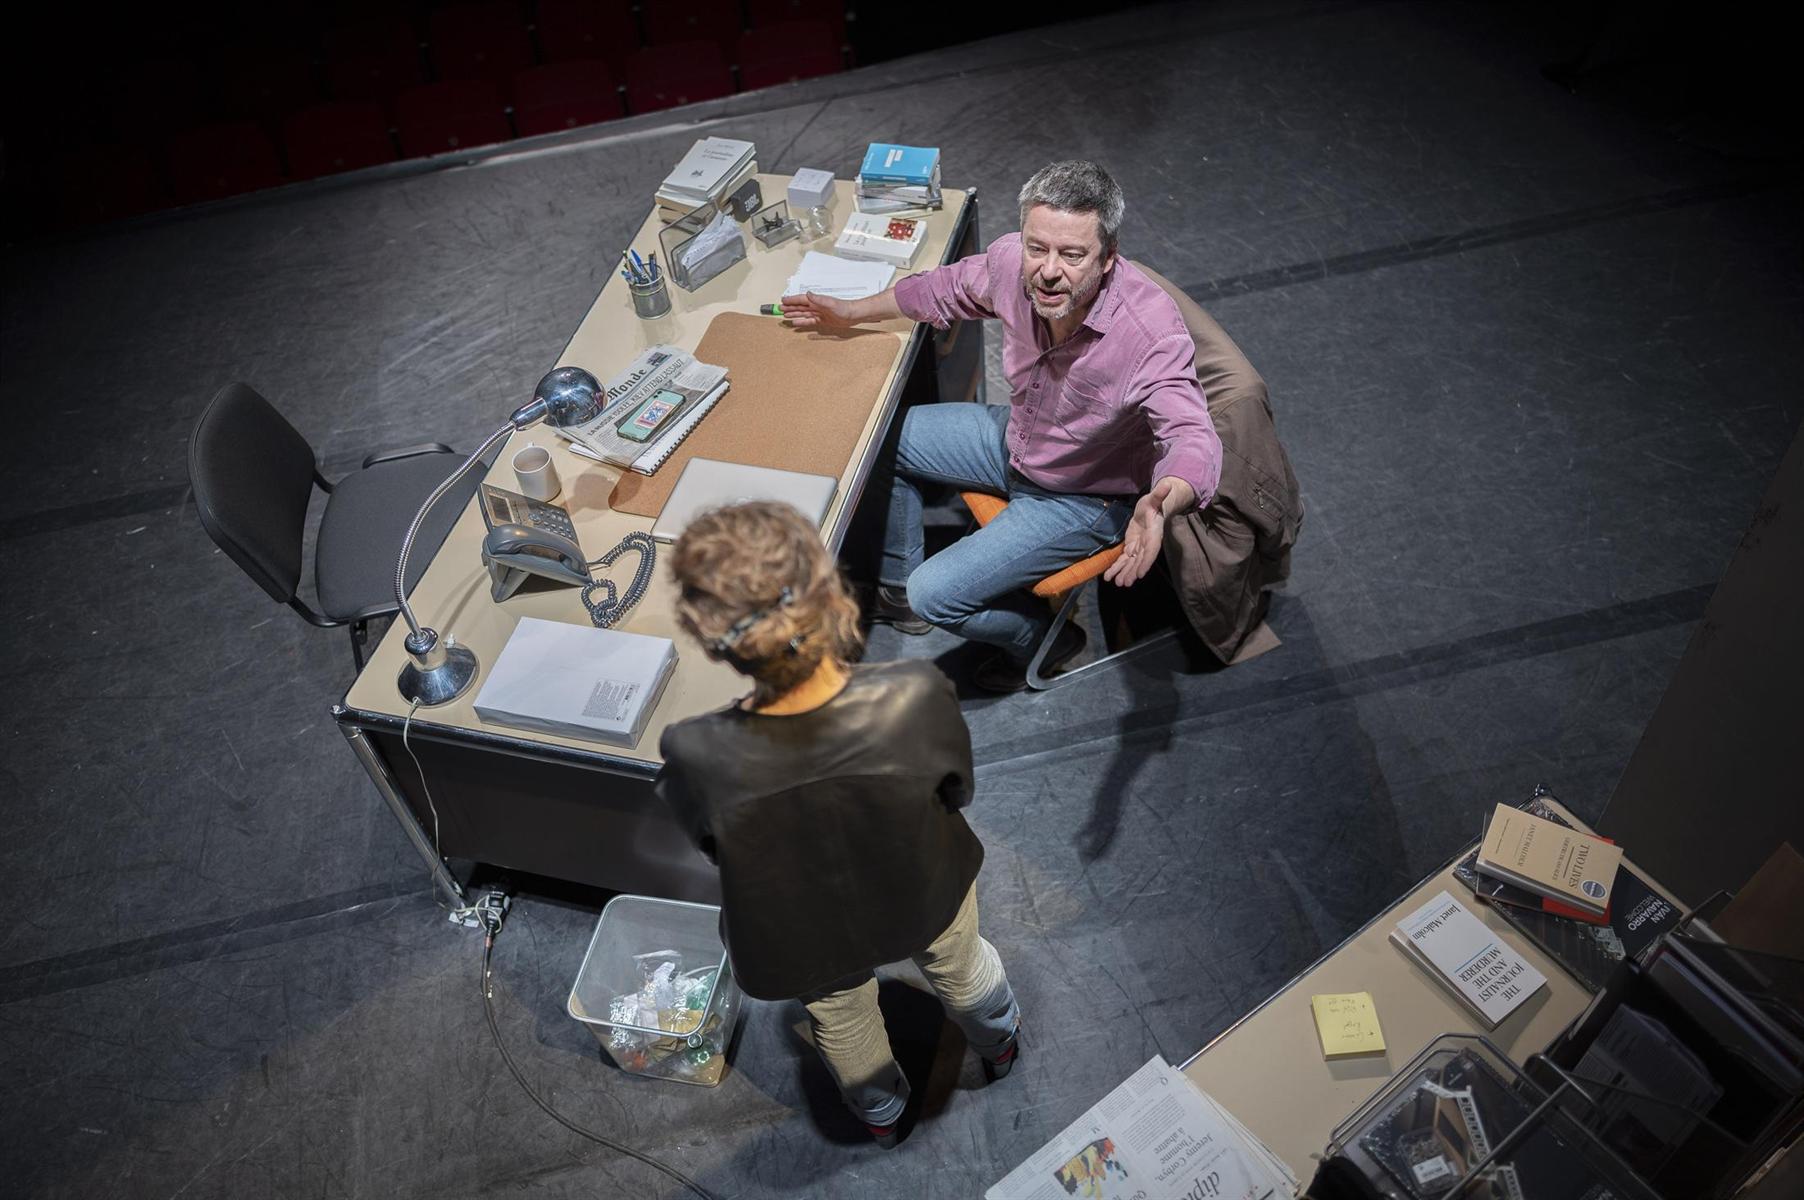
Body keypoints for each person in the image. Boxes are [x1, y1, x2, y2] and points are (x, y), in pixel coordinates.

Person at [657, 500, 1021, 1148]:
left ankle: (882, 1116)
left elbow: (713, 845)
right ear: (828, 592)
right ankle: (999, 1044)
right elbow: (957, 790)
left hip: (801, 931)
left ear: (714, 638)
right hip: (924, 889)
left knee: (842, 1019)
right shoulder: (914, 695)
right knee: (962, 968)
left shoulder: (694, 751)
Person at [781, 160, 1224, 692]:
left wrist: (1162, 502)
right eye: (1038, 248)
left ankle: (1044, 641)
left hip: (1083, 497)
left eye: (1073, 255)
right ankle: (896, 593)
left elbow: (1192, 434)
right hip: (1019, 442)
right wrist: (850, 313)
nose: (1048, 271)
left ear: (1108, 257)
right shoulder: (1011, 263)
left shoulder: (1149, 333)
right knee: (877, 440)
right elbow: (943, 288)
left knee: (935, 594)